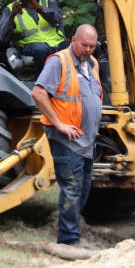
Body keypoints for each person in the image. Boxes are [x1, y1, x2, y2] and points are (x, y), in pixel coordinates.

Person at [31, 24, 103, 247]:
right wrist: (59, 124)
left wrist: (93, 124)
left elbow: (90, 96)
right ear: (74, 40)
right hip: (66, 140)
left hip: (87, 139)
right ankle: (69, 240)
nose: (88, 49)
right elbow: (38, 93)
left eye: (92, 46)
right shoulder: (58, 61)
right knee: (72, 188)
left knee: (83, 189)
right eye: (84, 45)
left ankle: (71, 233)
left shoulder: (92, 64)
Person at [0, 0, 67, 70]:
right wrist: (12, 16)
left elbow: (57, 18)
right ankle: (44, 82)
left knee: (83, 46)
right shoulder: (10, 8)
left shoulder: (47, 0)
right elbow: (2, 37)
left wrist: (39, 8)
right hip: (32, 46)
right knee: (40, 49)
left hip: (57, 42)